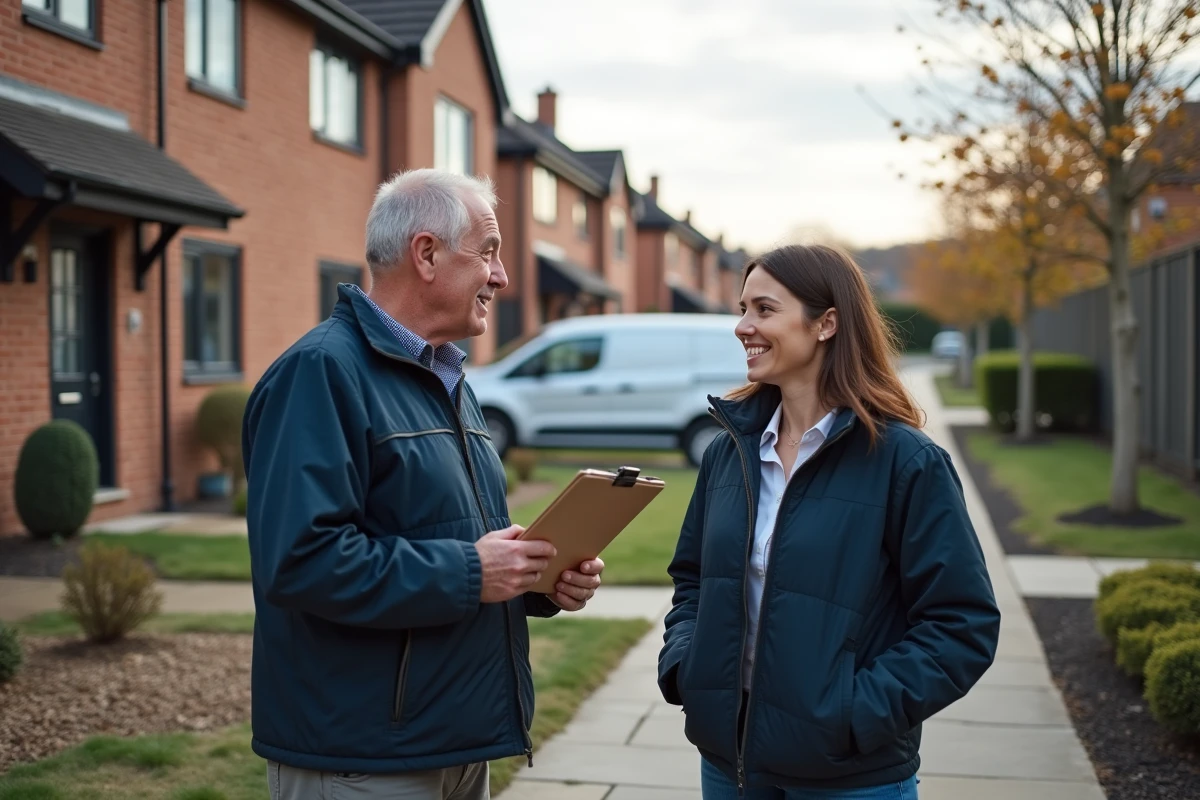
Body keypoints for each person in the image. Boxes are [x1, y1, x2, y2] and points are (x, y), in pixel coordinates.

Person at [242, 169, 604, 800]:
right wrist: (472, 571)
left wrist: (531, 580)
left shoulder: (444, 378)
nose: (502, 276)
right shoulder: (321, 373)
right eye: (487, 252)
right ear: (427, 254)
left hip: (455, 743)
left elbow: (443, 538)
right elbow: (301, 561)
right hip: (363, 758)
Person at [657, 244, 1000, 799]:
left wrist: (850, 714)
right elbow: (693, 582)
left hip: (850, 778)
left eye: (764, 310)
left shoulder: (904, 462)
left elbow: (961, 624)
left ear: (826, 323)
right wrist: (686, 668)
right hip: (729, 767)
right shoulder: (730, 454)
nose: (743, 326)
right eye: (742, 309)